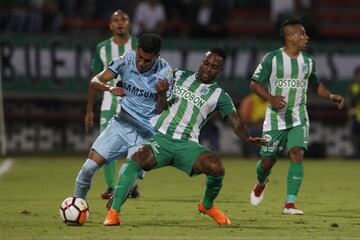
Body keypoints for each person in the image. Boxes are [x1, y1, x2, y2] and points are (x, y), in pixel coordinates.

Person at [103, 47, 268, 226]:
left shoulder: (220, 95)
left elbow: (235, 121)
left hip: (187, 144)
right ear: (201, 62)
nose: (208, 68)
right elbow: (159, 105)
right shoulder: (178, 75)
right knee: (137, 158)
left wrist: (247, 138)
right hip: (160, 138)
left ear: (220, 70)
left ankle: (207, 205)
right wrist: (159, 93)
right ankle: (114, 212)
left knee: (216, 167)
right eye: (206, 63)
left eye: (214, 66)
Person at [249, 19, 344, 215]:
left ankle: (289, 204)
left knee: (297, 153)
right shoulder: (272, 59)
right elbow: (254, 83)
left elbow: (315, 85)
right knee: (267, 161)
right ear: (290, 37)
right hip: (275, 118)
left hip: (299, 116)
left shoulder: (308, 61)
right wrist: (271, 97)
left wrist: (331, 96)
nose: (306, 37)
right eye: (302, 33)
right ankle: (261, 182)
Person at [74, 33, 174, 203]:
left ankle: (117, 205)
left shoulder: (166, 71)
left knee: (124, 179)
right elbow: (95, 81)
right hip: (122, 124)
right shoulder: (126, 60)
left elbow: (161, 109)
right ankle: (77, 204)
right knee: (88, 168)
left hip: (147, 134)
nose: (141, 63)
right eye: (139, 57)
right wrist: (109, 88)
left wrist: (162, 94)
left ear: (157, 57)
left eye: (147, 60)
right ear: (137, 50)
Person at [85, 10, 140, 200]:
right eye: (116, 20)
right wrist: (89, 111)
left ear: (129, 24)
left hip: (136, 103)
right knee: (107, 146)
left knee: (136, 145)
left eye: (123, 20)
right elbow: (94, 80)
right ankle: (111, 187)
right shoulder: (102, 48)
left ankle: (131, 186)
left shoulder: (138, 45)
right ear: (110, 25)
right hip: (109, 102)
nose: (120, 23)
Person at [239, 93, 268, 157]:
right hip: (253, 126)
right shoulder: (250, 100)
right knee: (259, 129)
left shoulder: (272, 101)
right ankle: (254, 154)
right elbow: (245, 118)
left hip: (270, 126)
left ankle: (273, 154)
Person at [349, 66, 360, 159]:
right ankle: (356, 154)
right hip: (356, 116)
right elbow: (352, 101)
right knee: (355, 137)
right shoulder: (353, 87)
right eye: (358, 76)